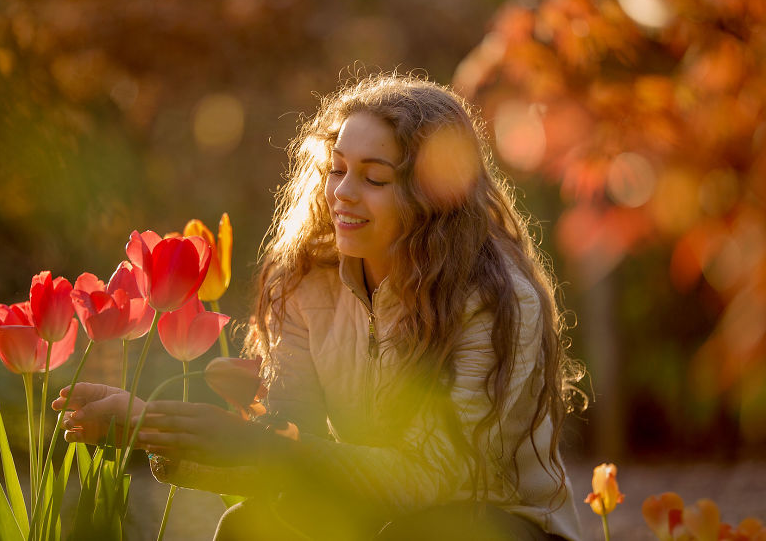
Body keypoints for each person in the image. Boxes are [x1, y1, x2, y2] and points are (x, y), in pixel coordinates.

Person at [52, 74, 586, 540]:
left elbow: (434, 480)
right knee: (249, 525)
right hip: (374, 516)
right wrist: (149, 426)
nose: (343, 193)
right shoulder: (309, 285)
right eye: (336, 169)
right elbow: (285, 453)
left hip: (496, 524)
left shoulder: (492, 301)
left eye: (375, 178)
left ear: (435, 197)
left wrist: (263, 445)